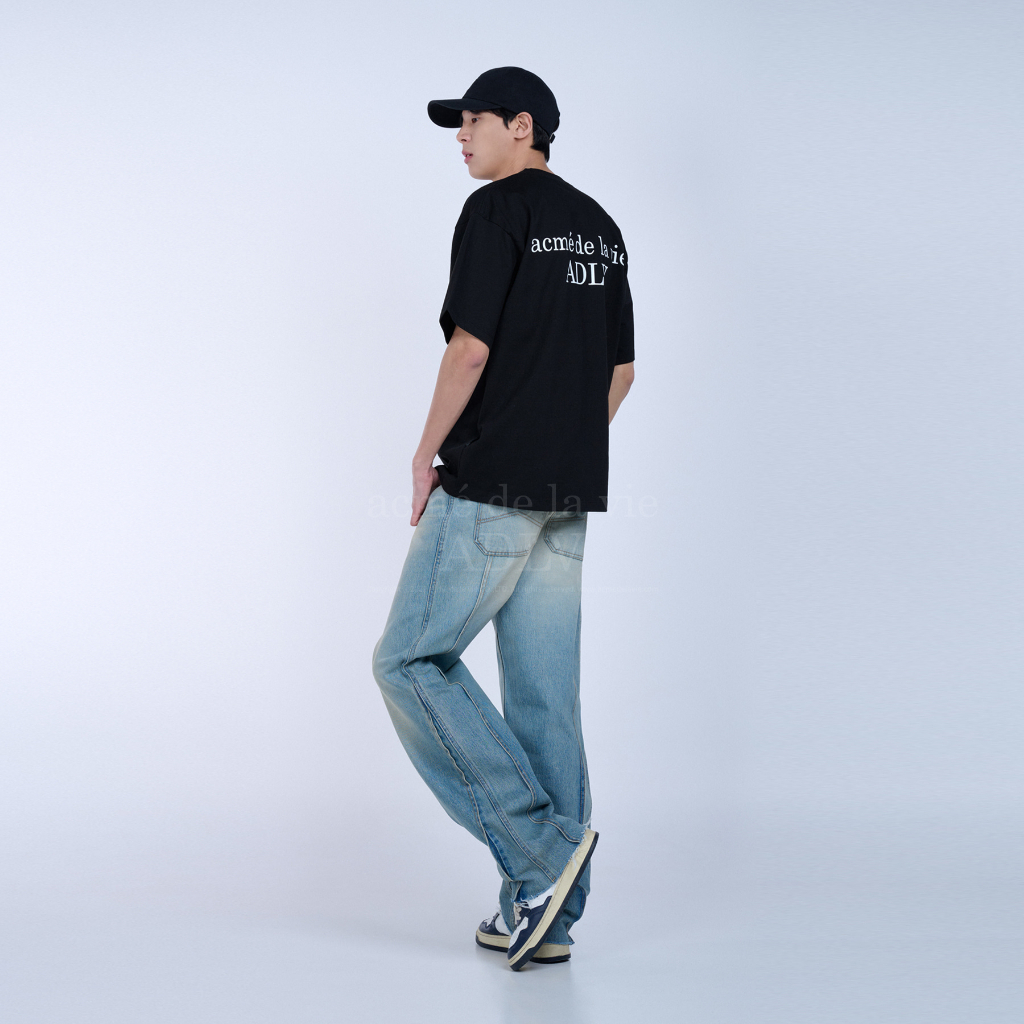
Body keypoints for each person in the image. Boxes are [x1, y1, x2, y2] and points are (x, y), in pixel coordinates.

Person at [371, 66, 635, 971]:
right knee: (543, 699)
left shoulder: (496, 211)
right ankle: (548, 916)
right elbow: (621, 373)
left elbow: (470, 349)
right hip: (567, 491)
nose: (461, 136)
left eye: (472, 120)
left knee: (407, 660)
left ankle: (541, 855)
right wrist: (559, 443)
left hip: (490, 487)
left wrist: (424, 457)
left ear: (522, 126)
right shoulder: (601, 227)